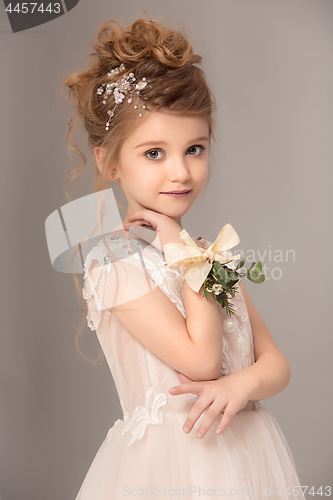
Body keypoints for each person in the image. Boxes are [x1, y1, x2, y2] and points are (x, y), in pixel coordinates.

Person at [63, 15, 305, 499]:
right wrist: (182, 251)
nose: (180, 171)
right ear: (110, 162)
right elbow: (200, 362)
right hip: (178, 464)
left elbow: (276, 363)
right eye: (154, 153)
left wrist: (241, 388)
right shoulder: (113, 263)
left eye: (194, 148)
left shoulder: (206, 254)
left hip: (248, 455)